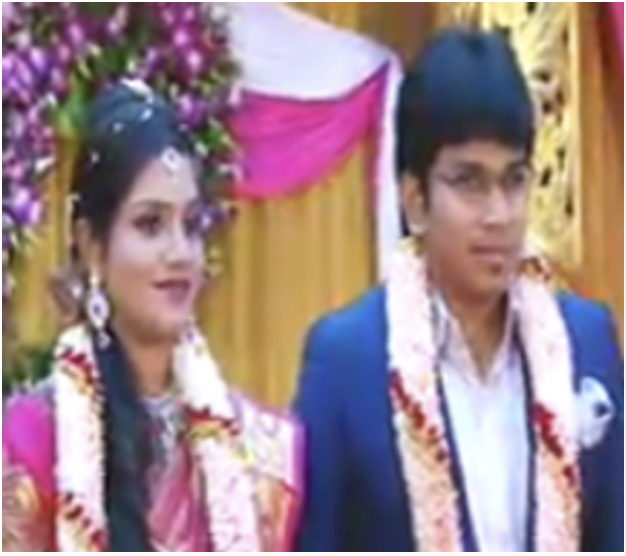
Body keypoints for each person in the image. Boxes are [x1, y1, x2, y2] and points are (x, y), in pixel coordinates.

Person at [293, 28, 623, 552]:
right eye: (469, 182)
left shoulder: (587, 340)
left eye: (514, 180)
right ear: (415, 200)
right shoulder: (346, 360)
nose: (499, 214)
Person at [2, 81, 302, 552]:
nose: (180, 252)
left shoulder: (262, 454)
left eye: (191, 225)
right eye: (150, 224)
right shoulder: (28, 443)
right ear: (91, 246)